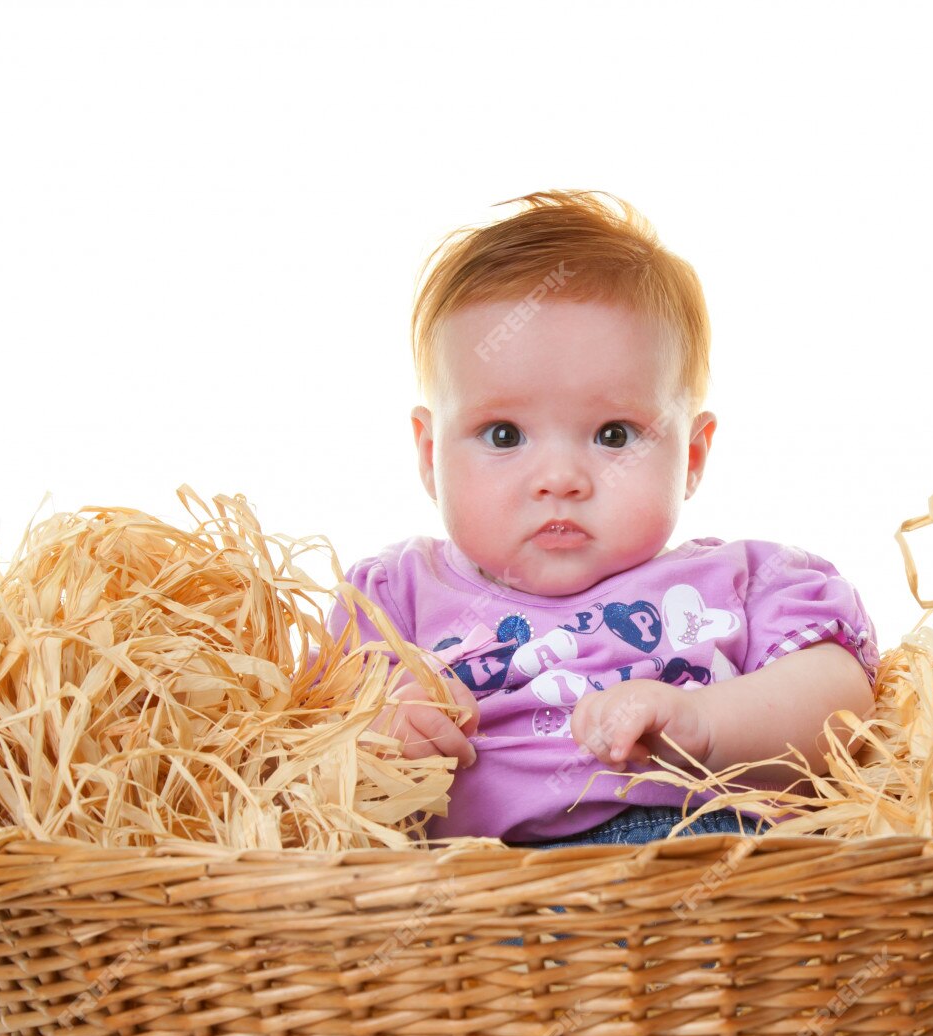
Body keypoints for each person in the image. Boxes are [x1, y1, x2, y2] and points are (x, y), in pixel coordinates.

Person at [325, 189, 882, 849]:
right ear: (429, 454)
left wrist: (704, 722)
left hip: (704, 852)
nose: (561, 479)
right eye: (504, 435)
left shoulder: (748, 579)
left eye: (615, 435)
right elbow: (307, 738)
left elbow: (843, 707)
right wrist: (380, 731)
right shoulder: (395, 597)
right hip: (479, 891)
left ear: (693, 455)